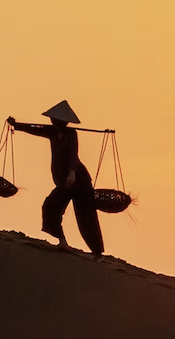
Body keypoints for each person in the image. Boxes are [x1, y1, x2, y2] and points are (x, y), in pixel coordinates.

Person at [7, 100, 104, 256]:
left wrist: (71, 174)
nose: (52, 121)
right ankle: (62, 241)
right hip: (64, 180)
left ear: (63, 121)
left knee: (86, 213)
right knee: (51, 207)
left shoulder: (71, 134)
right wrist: (16, 125)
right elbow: (34, 129)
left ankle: (97, 252)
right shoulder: (51, 132)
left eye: (55, 119)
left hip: (78, 179)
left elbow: (73, 155)